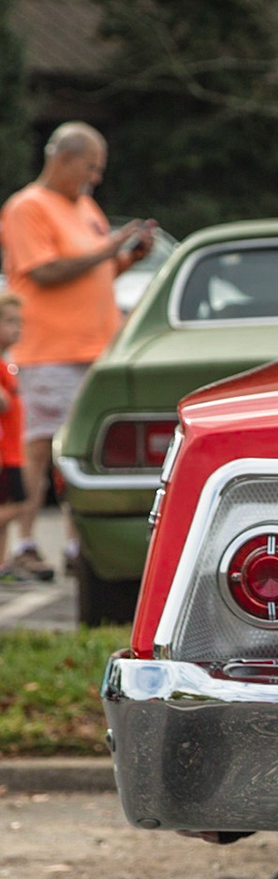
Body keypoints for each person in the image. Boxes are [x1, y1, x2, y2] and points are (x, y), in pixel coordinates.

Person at [0, 122, 153, 580]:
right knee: (39, 451)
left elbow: (93, 273)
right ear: (63, 159)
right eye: (91, 167)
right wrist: (110, 247)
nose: (96, 178)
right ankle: (26, 543)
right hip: (50, 353)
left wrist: (127, 260)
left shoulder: (85, 207)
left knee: (82, 453)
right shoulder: (28, 207)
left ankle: (76, 545)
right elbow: (44, 272)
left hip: (95, 352)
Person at [0, 293, 26, 579]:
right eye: (9, 322)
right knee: (17, 506)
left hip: (13, 449)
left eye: (19, 322)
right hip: (4, 451)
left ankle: (2, 562)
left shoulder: (7, 363)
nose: (17, 328)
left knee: (8, 507)